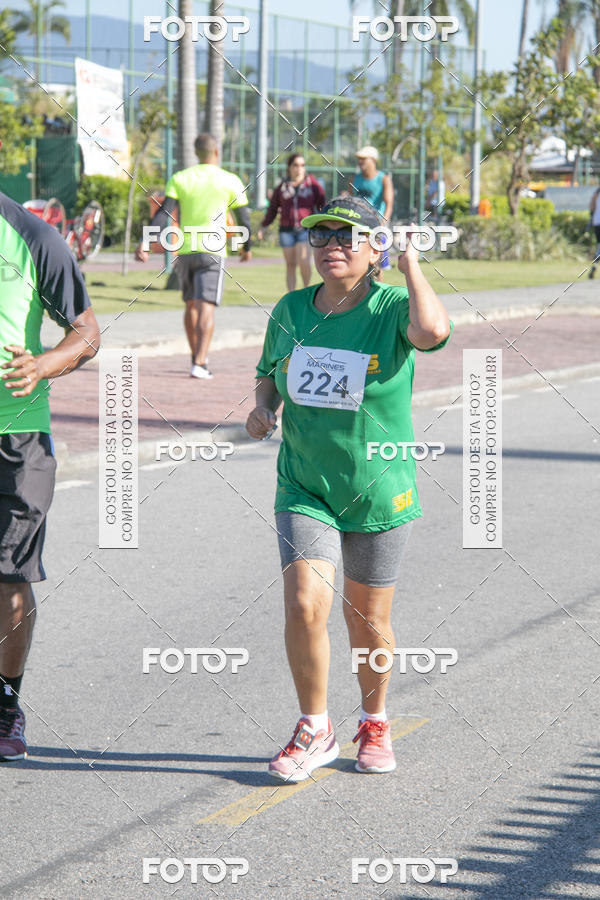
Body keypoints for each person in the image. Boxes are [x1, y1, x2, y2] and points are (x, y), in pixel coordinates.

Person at [246, 196, 452, 782]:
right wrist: (262, 409)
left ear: (375, 247)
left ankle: (374, 720)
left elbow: (433, 331)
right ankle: (315, 727)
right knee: (305, 602)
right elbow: (269, 374)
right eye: (321, 235)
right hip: (305, 484)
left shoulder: (392, 307)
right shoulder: (290, 308)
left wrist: (411, 264)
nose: (331, 245)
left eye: (347, 235)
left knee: (367, 620)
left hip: (380, 486)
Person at [0, 178, 100, 762]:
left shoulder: (35, 237)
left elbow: (85, 333)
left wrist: (44, 364)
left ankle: (5, 705)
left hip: (17, 434)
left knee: (9, 573)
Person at [137, 133, 252, 379]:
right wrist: (246, 246)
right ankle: (200, 362)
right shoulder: (229, 180)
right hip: (213, 251)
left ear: (195, 152)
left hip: (185, 251)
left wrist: (145, 243)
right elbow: (244, 218)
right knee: (205, 307)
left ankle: (195, 358)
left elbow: (163, 214)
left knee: (191, 305)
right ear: (216, 152)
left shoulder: (181, 178)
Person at [257, 153, 325, 292]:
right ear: (289, 167)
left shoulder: (312, 185)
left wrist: (324, 224)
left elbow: (322, 205)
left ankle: (306, 291)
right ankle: (291, 295)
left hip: (305, 229)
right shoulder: (282, 187)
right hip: (286, 230)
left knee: (304, 260)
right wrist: (264, 226)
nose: (299, 168)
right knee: (290, 265)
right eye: (296, 165)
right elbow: (272, 208)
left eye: (302, 165)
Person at [350, 146, 394, 274]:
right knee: (356, 263)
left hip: (376, 225)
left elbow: (389, 204)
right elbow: (350, 201)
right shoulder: (354, 179)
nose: (360, 162)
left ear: (373, 160)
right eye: (359, 159)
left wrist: (382, 224)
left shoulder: (384, 179)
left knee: (377, 267)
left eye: (364, 159)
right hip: (357, 225)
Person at [588, 183, 600, 279]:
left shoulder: (597, 192)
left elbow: (591, 207)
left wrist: (592, 216)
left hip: (597, 222)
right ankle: (595, 265)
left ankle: (595, 265)